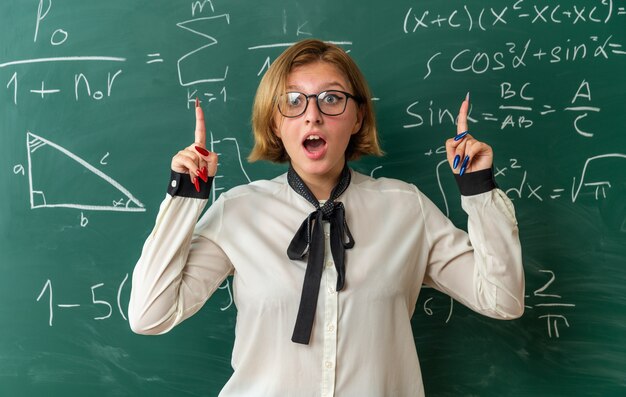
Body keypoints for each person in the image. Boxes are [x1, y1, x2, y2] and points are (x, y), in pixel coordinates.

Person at [128, 39, 525, 397]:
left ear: (357, 118)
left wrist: (479, 189)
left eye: (331, 99)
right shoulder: (238, 211)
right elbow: (150, 315)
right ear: (274, 122)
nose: (312, 116)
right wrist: (185, 196)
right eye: (294, 101)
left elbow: (502, 300)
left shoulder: (407, 209)